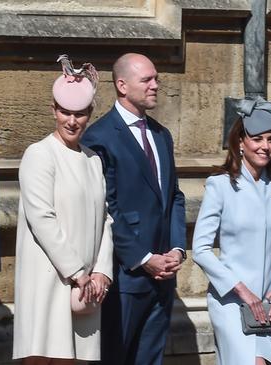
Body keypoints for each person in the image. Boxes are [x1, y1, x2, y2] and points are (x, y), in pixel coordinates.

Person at [81, 53, 186, 365]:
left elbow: (175, 197)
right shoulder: (99, 138)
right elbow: (106, 208)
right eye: (147, 80)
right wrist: (143, 258)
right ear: (122, 85)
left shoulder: (161, 134)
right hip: (125, 278)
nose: (156, 85)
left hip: (164, 276)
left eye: (156, 78)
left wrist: (177, 248)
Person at [12, 58, 113, 363]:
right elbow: (42, 218)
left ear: (89, 115)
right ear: (53, 111)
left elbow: (105, 220)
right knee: (47, 356)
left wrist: (102, 272)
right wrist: (78, 272)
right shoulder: (39, 154)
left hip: (86, 288)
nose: (72, 121)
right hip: (47, 281)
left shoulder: (93, 160)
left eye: (79, 114)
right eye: (65, 112)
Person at [193, 97, 271, 365]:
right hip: (231, 301)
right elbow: (200, 250)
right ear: (240, 142)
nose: (265, 146)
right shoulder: (220, 186)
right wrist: (240, 289)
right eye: (257, 139)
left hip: (270, 306)